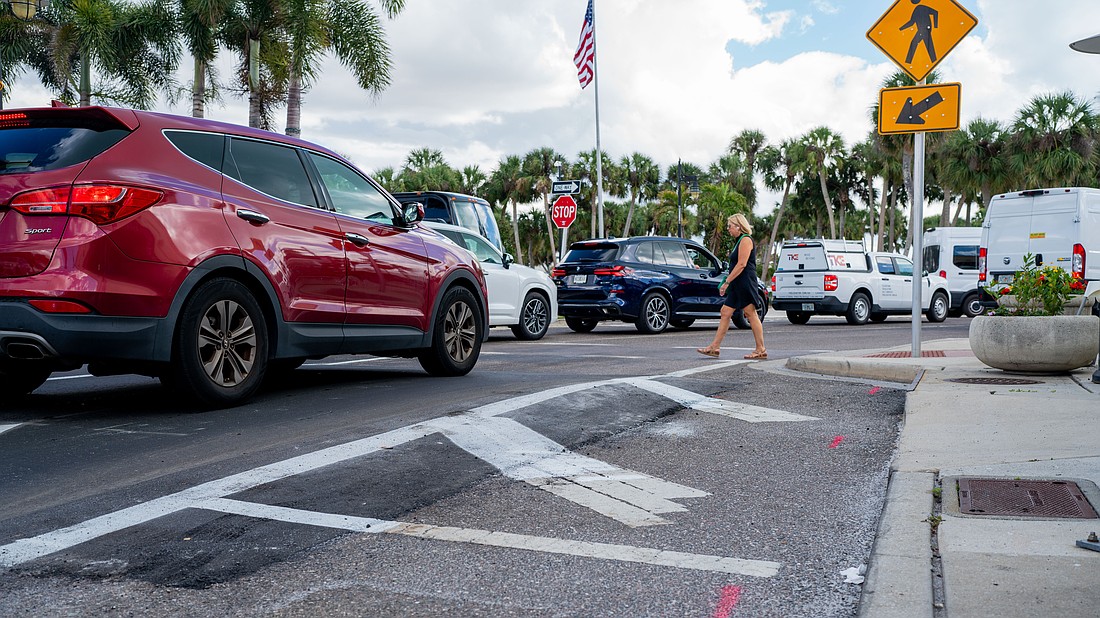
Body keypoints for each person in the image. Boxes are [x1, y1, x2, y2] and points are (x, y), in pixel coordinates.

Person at [697, 213, 767, 360]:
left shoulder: (746, 239)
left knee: (750, 313)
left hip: (745, 282)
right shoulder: (738, 241)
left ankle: (760, 349)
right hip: (737, 283)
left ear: (738, 226)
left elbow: (742, 264)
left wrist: (727, 281)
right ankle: (714, 347)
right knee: (725, 312)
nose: (728, 229)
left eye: (730, 226)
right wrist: (729, 282)